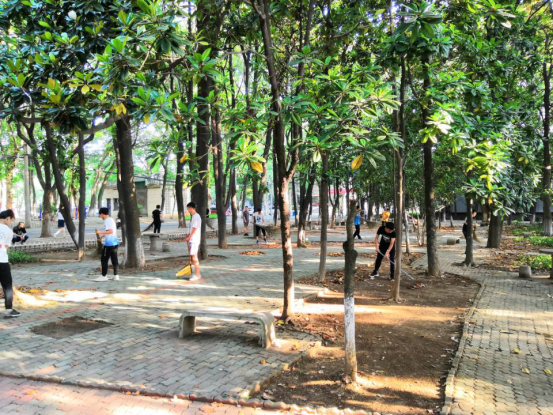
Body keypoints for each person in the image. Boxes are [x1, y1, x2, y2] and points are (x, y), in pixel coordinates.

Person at [0, 210, 21, 319]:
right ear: (7, 218)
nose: (11, 222)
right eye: (11, 220)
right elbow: (6, 247)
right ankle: (8, 310)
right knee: (7, 285)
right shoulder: (8, 231)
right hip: (2, 261)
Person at [93, 207, 120, 282]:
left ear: (102, 214)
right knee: (114, 259)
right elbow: (109, 231)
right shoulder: (110, 219)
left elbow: (110, 231)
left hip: (109, 244)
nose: (100, 216)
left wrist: (100, 232)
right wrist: (102, 237)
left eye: (100, 215)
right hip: (114, 243)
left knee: (104, 260)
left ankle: (104, 276)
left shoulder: (107, 220)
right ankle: (116, 276)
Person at [186, 202, 202, 281]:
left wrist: (189, 237)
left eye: (188, 208)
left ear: (191, 208)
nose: (188, 210)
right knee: (193, 257)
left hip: (194, 240)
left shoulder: (196, 216)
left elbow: (195, 228)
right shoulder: (193, 216)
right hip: (192, 239)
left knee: (194, 257)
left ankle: (197, 275)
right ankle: (197, 273)